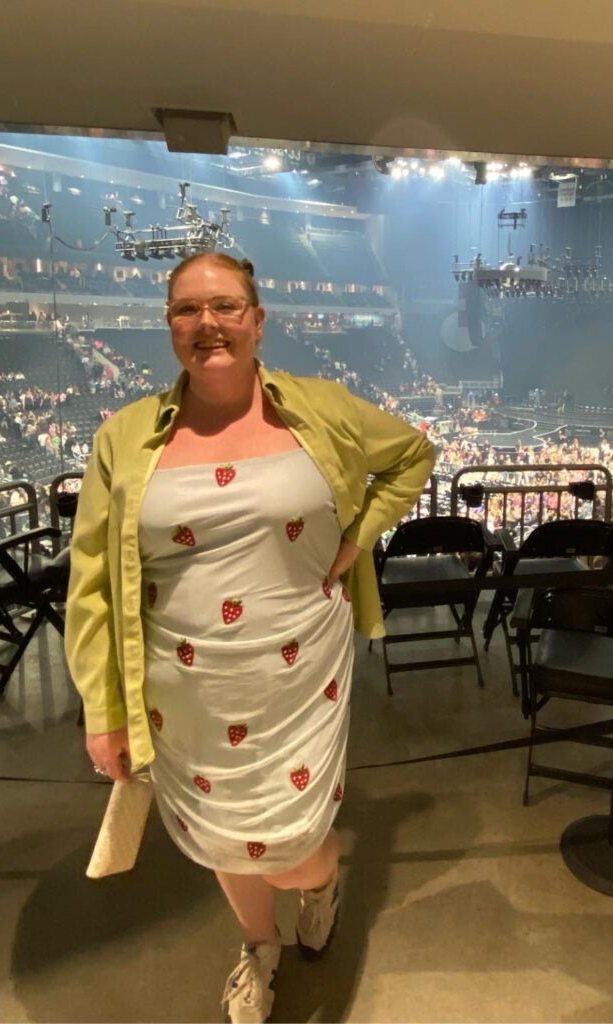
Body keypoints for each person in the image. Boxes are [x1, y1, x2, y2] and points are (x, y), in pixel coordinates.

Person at [65, 253, 435, 1023]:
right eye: (186, 311)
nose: (207, 325)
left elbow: (409, 455)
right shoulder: (123, 436)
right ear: (169, 325)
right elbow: (93, 582)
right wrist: (102, 709)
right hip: (182, 681)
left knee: (295, 842)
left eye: (226, 307)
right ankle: (257, 947)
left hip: (303, 666)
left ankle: (321, 882)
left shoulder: (323, 407)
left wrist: (357, 537)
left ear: (258, 321)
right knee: (220, 835)